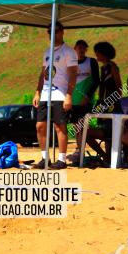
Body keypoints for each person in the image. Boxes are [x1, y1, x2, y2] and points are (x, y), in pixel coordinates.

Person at [32, 22, 78, 169]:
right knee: (40, 126)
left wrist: (69, 95)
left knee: (60, 126)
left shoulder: (69, 52)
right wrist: (37, 92)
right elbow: (42, 74)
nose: (53, 34)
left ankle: (62, 159)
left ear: (62, 32)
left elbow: (73, 74)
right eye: (50, 31)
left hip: (60, 94)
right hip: (45, 93)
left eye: (56, 31)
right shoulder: (47, 52)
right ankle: (45, 158)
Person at [84, 42, 122, 163]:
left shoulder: (112, 67)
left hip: (113, 106)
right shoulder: (103, 68)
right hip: (103, 105)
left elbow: (119, 89)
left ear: (103, 53)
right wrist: (99, 104)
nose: (96, 55)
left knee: (110, 132)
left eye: (97, 52)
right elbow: (102, 89)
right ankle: (106, 157)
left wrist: (109, 103)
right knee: (99, 132)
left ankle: (111, 158)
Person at [70, 40, 100, 124]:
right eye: (79, 48)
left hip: (86, 101)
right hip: (72, 101)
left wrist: (87, 96)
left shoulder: (91, 61)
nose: (81, 50)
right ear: (74, 49)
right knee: (76, 127)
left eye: (84, 48)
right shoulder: (70, 63)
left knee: (84, 127)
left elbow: (97, 81)